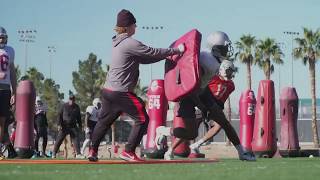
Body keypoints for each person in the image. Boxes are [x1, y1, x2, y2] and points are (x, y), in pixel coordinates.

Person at [88, 9, 185, 162]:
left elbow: (145, 58)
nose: (136, 28)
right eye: (134, 25)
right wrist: (175, 51)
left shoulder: (117, 43)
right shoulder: (129, 43)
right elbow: (151, 52)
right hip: (121, 92)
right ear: (127, 27)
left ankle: (92, 151)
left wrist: (167, 55)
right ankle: (129, 151)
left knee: (103, 122)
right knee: (143, 119)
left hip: (108, 91)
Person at [155, 31, 256, 161]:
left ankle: (242, 153)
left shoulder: (213, 60)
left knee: (224, 122)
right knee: (191, 133)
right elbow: (191, 83)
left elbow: (200, 83)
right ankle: (164, 131)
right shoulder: (207, 61)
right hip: (189, 94)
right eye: (225, 46)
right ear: (217, 47)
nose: (227, 49)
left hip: (202, 90)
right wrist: (202, 106)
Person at [0, 27, 16, 160]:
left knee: (3, 122)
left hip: (5, 89)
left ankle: (4, 149)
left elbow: (12, 72)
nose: (1, 39)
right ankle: (9, 150)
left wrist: (14, 92)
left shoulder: (10, 50)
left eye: (2, 37)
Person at [52, 94, 84, 158]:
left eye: (73, 99)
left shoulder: (77, 107)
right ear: (68, 99)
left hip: (73, 126)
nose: (71, 101)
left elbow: (79, 117)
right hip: (64, 126)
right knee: (59, 140)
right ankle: (54, 153)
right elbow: (59, 115)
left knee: (76, 139)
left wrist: (80, 126)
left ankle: (78, 154)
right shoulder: (64, 106)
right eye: (70, 99)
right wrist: (59, 124)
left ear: (74, 100)